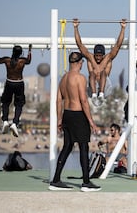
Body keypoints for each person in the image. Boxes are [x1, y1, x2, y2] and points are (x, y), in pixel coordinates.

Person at [49, 51, 101, 192]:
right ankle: (86, 183)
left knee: (67, 146)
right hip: (78, 115)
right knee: (84, 147)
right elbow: (83, 100)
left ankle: (55, 180)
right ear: (80, 63)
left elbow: (58, 100)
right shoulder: (80, 78)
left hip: (67, 115)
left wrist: (59, 118)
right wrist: (91, 122)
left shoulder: (63, 78)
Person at [74, 18, 126, 106]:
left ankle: (101, 95)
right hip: (92, 87)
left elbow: (118, 45)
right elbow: (80, 44)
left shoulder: (108, 58)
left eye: (100, 56)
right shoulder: (90, 58)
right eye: (96, 55)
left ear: (103, 55)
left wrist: (123, 28)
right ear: (94, 54)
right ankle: (94, 95)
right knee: (92, 73)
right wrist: (75, 28)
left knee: (102, 73)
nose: (98, 58)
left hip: (105, 88)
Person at [0, 44, 32, 137]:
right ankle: (15, 123)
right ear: (20, 53)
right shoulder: (22, 61)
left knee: (6, 102)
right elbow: (29, 61)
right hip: (19, 83)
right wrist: (30, 50)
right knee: (19, 104)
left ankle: (5, 121)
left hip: (9, 83)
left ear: (13, 52)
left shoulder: (7, 60)